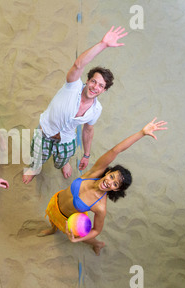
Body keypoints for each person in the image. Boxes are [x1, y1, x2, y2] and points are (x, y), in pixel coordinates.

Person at [38, 118, 167, 256]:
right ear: (108, 172)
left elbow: (96, 230)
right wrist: (141, 133)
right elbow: (116, 150)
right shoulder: (93, 173)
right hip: (55, 203)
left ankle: (98, 244)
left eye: (115, 184)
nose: (110, 182)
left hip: (68, 220)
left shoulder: (100, 207)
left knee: (86, 236)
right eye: (112, 177)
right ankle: (52, 230)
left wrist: (77, 240)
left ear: (116, 189)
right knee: (52, 218)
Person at [23, 26, 128, 184]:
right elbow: (78, 65)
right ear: (87, 80)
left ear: (104, 90)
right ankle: (34, 168)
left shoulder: (96, 110)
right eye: (93, 81)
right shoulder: (72, 86)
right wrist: (102, 44)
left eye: (101, 85)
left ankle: (63, 163)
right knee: (37, 157)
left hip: (67, 140)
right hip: (44, 132)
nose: (95, 87)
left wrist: (86, 154)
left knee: (61, 160)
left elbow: (88, 130)